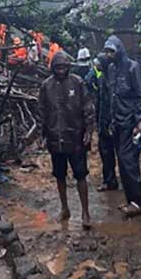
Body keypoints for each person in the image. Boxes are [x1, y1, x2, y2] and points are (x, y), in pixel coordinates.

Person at [39, 50, 95, 228]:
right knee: (60, 176)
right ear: (53, 68)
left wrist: (89, 131)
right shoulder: (46, 86)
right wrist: (42, 135)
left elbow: (88, 108)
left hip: (76, 138)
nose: (61, 70)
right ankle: (65, 208)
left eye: (63, 67)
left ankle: (85, 213)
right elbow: (42, 112)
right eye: (57, 67)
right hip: (56, 138)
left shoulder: (77, 83)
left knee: (81, 175)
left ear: (68, 67)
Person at [103, 35, 141, 217]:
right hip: (118, 122)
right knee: (122, 161)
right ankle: (131, 200)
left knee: (128, 161)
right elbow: (112, 96)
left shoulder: (133, 68)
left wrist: (139, 120)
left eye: (111, 51)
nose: (108, 54)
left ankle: (138, 202)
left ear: (119, 50)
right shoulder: (112, 69)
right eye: (106, 51)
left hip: (130, 122)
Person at [86, 54, 119, 192]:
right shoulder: (102, 78)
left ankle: (111, 180)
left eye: (98, 62)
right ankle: (110, 179)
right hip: (104, 122)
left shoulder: (109, 80)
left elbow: (110, 104)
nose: (96, 64)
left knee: (109, 153)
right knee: (107, 154)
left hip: (109, 123)